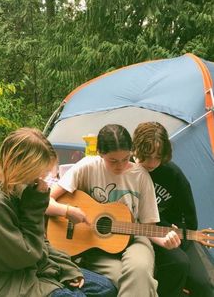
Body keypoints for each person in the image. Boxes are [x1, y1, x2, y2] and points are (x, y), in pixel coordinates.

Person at [0, 127, 117, 297]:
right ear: (22, 168)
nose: (41, 179)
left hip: (31, 265)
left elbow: (40, 242)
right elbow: (24, 257)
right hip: (4, 280)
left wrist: (66, 268)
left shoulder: (19, 189)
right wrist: (36, 208)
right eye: (39, 173)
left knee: (106, 288)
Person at [47, 124, 181, 297]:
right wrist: (67, 211)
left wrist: (165, 241)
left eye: (125, 159)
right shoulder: (86, 167)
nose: (120, 166)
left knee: (140, 270)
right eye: (113, 161)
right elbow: (45, 202)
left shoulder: (141, 176)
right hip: (98, 245)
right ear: (100, 153)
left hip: (135, 238)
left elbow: (149, 225)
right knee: (124, 281)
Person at [132, 121, 214, 297]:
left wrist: (178, 231)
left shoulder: (173, 174)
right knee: (178, 263)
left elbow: (189, 220)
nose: (152, 162)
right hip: (135, 233)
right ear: (136, 148)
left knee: (204, 284)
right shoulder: (125, 168)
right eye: (147, 156)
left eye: (158, 157)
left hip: (168, 233)